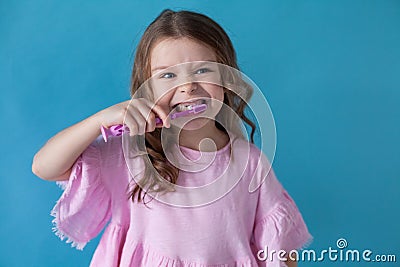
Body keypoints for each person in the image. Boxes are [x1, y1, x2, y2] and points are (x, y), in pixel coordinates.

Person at [32, 9, 312, 267]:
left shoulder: (249, 162)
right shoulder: (129, 153)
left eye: (203, 70)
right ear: (146, 89)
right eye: (167, 75)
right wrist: (97, 121)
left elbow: (280, 249)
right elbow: (44, 167)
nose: (188, 87)